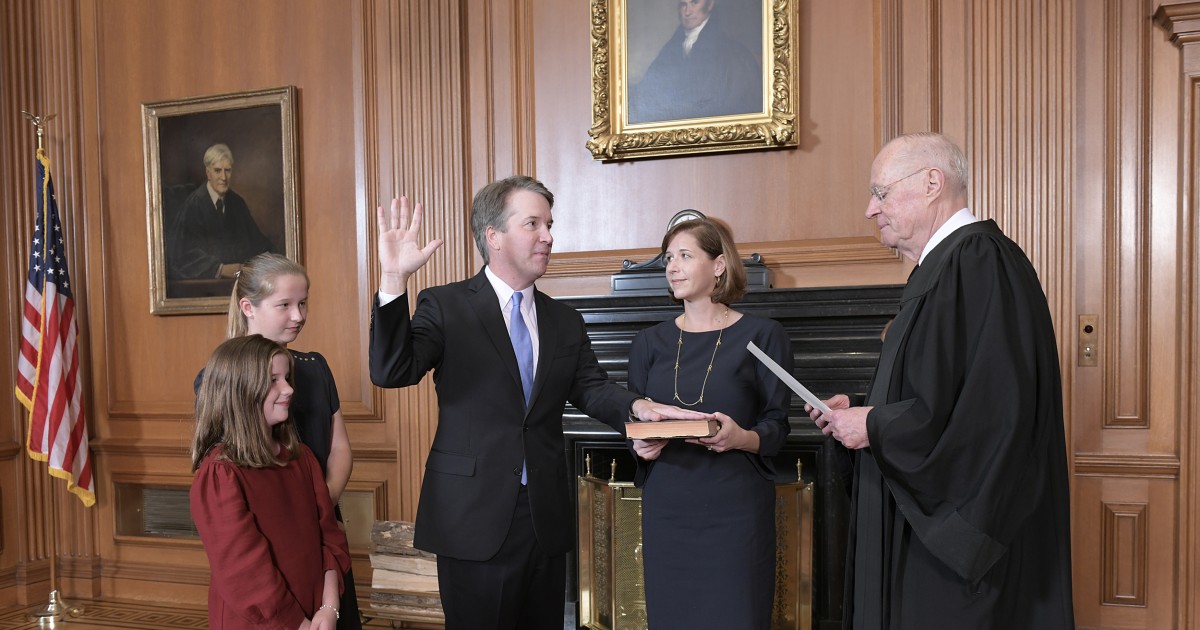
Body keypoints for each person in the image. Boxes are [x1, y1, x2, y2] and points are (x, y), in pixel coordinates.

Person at [367, 175, 710, 630]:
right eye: (533, 223)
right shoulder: (446, 305)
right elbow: (392, 372)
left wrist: (639, 408)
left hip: (543, 517)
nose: (548, 236)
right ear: (494, 236)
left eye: (549, 224)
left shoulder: (563, 319)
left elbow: (591, 387)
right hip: (473, 517)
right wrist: (394, 279)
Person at [808, 132, 1075, 628]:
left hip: (956, 541)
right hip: (919, 515)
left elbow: (993, 413)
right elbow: (939, 391)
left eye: (881, 192)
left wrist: (879, 428)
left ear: (933, 182)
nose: (870, 209)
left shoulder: (978, 261)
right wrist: (865, 411)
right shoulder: (947, 266)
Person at [627, 217, 792, 629]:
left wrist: (743, 438)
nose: (672, 267)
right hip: (668, 507)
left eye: (685, 255)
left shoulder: (763, 335)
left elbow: (778, 426)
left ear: (719, 265)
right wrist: (640, 446)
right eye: (668, 258)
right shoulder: (648, 343)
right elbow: (633, 422)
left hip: (735, 510)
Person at [195, 252, 362, 629]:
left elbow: (339, 449)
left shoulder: (314, 368)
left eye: (303, 303)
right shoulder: (220, 378)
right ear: (248, 307)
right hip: (270, 551)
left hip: (320, 541)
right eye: (285, 304)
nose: (299, 315)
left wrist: (315, 510)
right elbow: (237, 533)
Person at [628, 0, 763, 124]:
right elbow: (648, 91)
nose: (687, 12)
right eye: (683, 5)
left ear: (710, 5)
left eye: (694, 3)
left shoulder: (731, 53)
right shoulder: (672, 47)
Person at [167, 143, 275, 280]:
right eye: (218, 170)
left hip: (237, 280)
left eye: (227, 170)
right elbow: (182, 253)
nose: (223, 177)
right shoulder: (194, 204)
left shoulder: (237, 203)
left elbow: (257, 243)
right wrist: (221, 269)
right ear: (208, 173)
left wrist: (276, 261)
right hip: (204, 286)